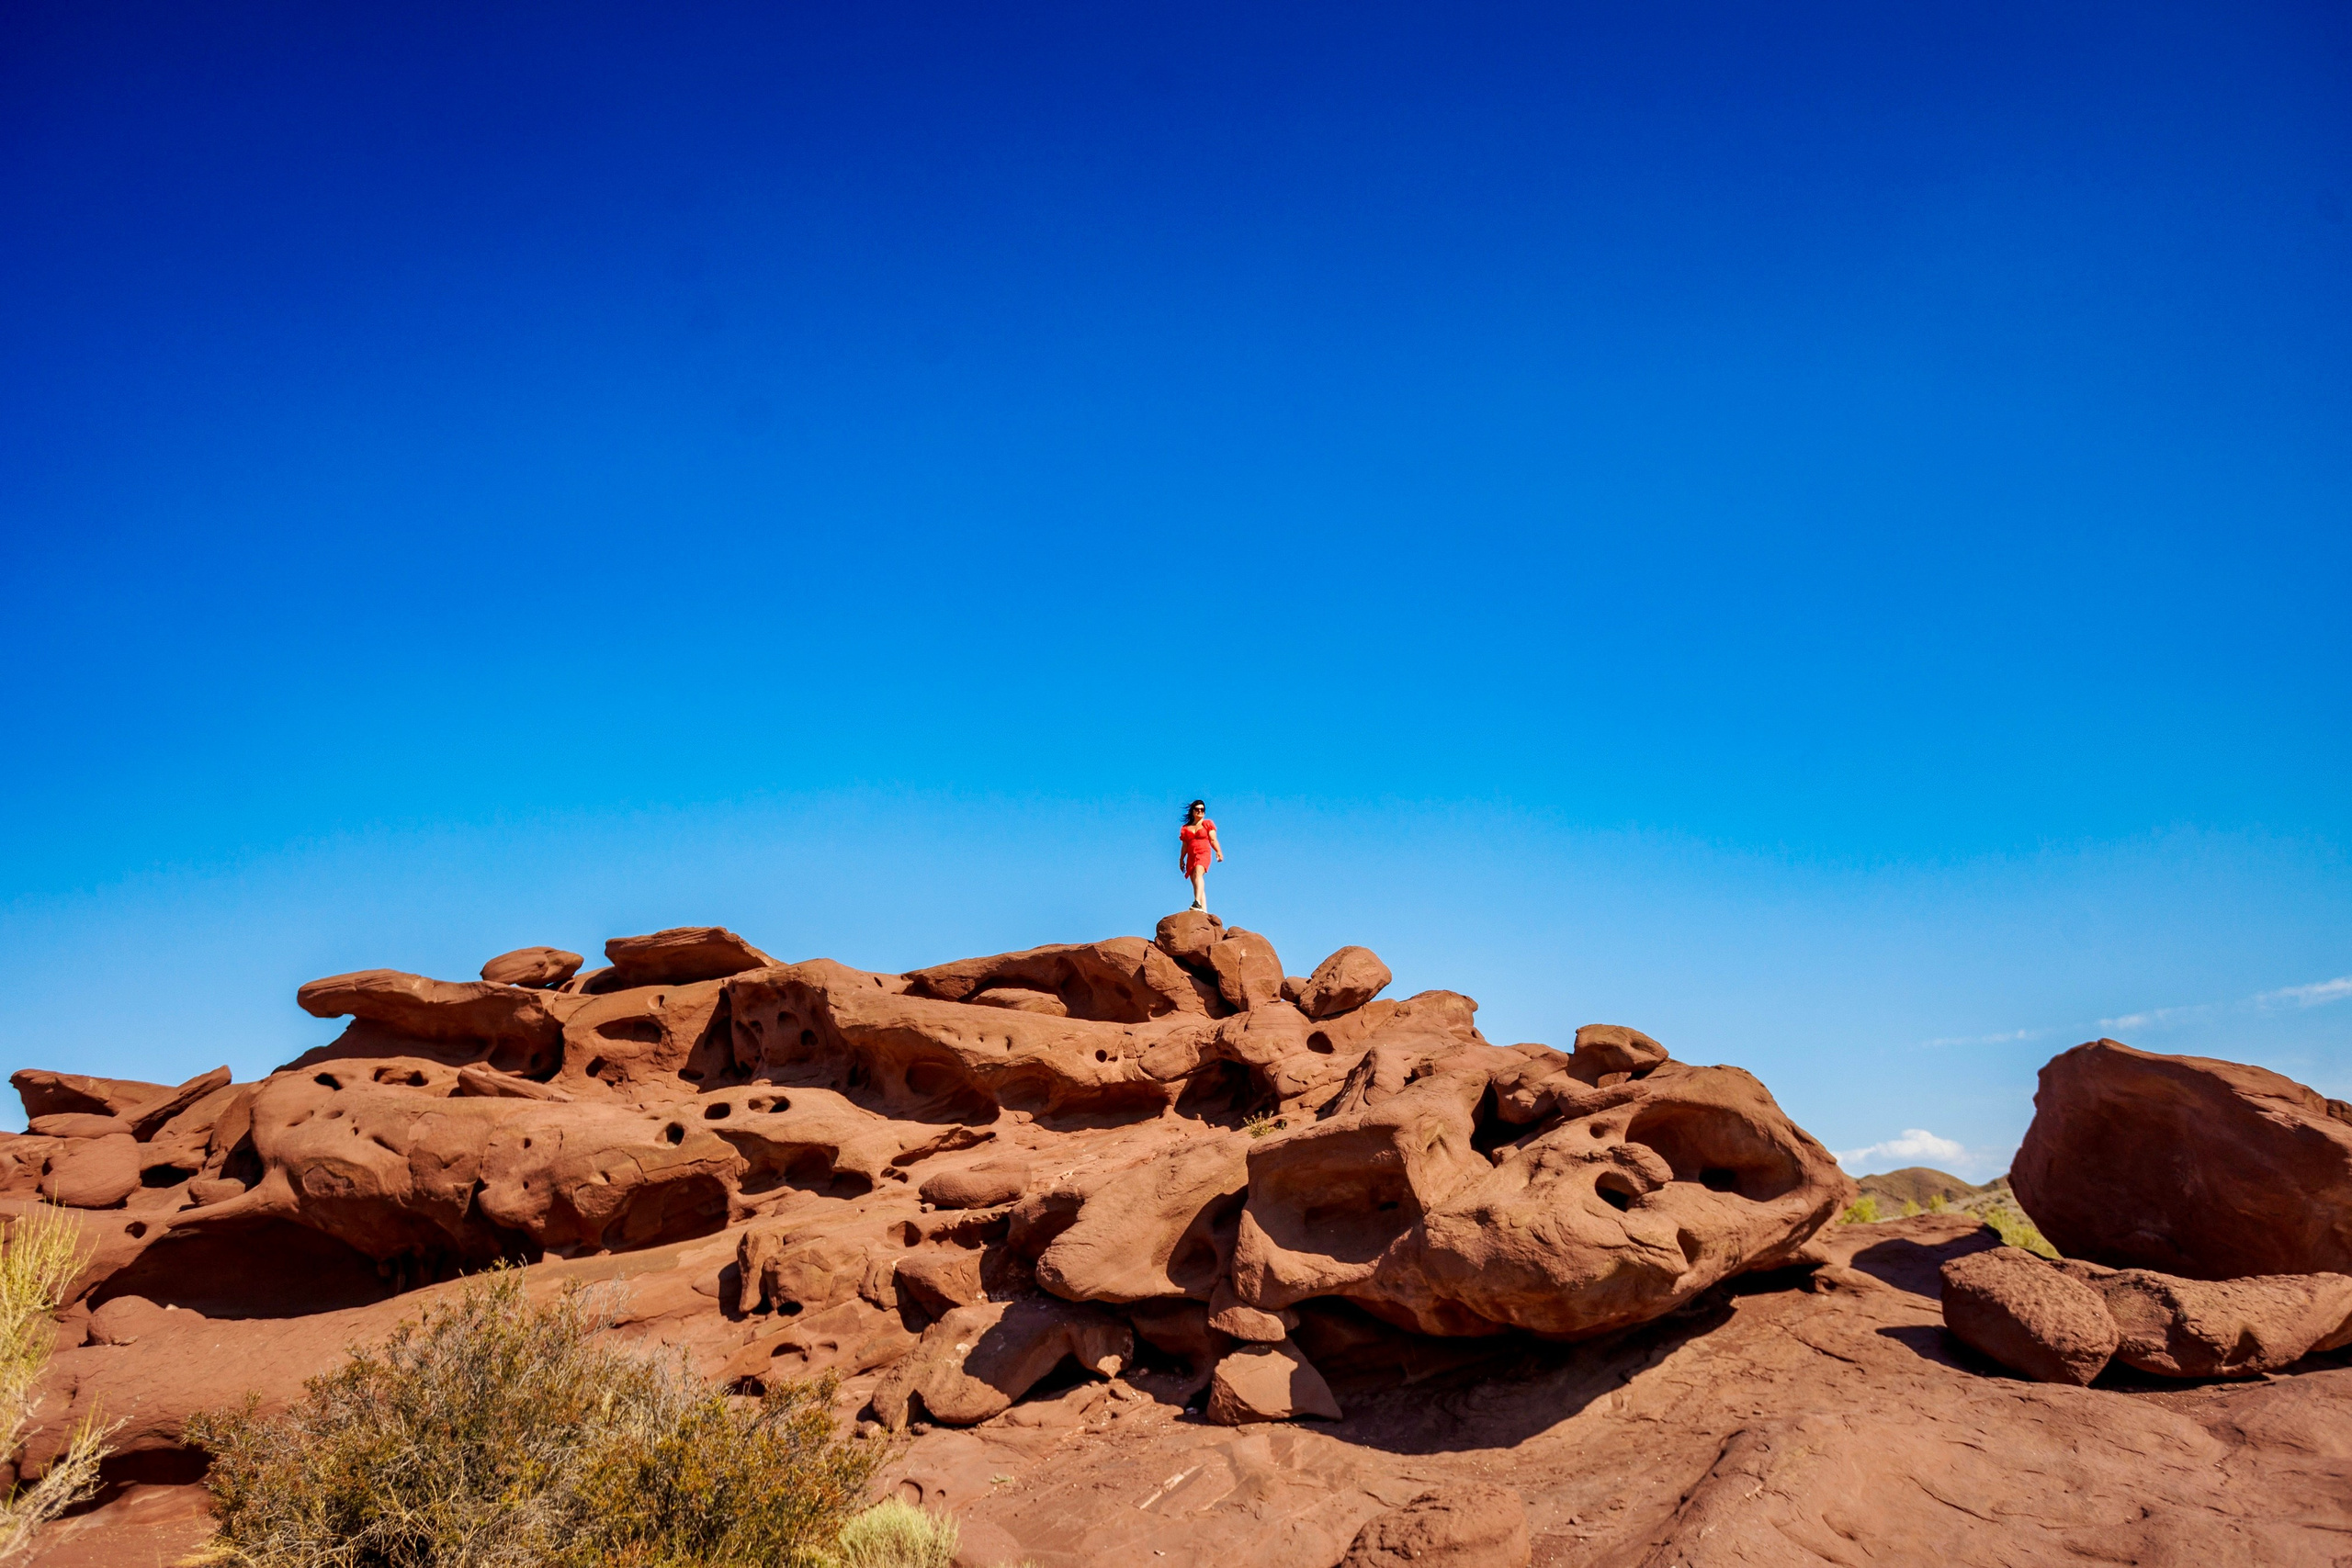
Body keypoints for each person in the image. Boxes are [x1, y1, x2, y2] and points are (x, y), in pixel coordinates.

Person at [1178, 799, 1222, 912]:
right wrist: (1181, 859)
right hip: (1191, 856)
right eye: (1197, 809)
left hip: (1203, 853)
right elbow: (1185, 845)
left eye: (1202, 809)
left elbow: (1213, 839)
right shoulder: (1185, 828)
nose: (1200, 811)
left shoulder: (1207, 824)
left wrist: (1218, 851)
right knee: (1195, 881)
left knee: (1198, 873)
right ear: (1192, 811)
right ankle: (1203, 910)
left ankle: (1196, 902)